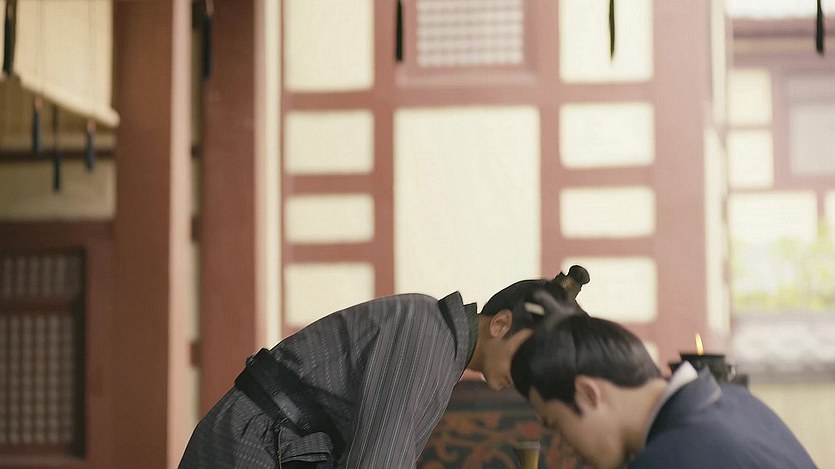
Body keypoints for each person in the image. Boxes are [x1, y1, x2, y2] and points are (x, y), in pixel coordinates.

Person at [178, 266, 591, 468]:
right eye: (531, 356)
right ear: (501, 324)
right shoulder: (426, 334)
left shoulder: (439, 346)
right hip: (253, 446)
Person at [510, 311, 818, 469]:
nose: (564, 447)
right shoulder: (737, 400)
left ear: (588, 393)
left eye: (557, 425)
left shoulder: (665, 459)